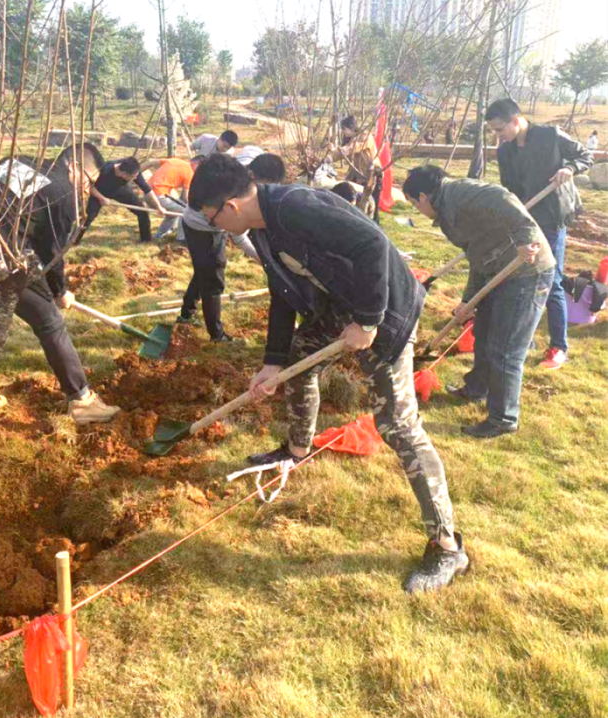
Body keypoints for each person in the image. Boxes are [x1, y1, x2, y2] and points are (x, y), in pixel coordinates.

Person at [189, 154, 468, 594]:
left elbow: (372, 244)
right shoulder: (261, 227)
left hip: (386, 311)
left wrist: (369, 320)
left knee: (398, 425)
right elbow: (282, 293)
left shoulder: (295, 207)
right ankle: (296, 450)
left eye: (212, 218)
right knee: (298, 363)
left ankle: (447, 546)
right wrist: (272, 361)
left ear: (230, 206)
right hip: (342, 307)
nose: (216, 228)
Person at [0, 158, 120, 424]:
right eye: (89, 181)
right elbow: (52, 253)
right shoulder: (62, 190)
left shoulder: (14, 161)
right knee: (50, 324)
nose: (86, 189)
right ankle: (83, 402)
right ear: (76, 166)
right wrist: (60, 291)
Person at [404, 165, 555, 438]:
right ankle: (476, 389)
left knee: (505, 349)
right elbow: (477, 255)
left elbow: (504, 198)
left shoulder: (462, 194)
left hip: (526, 272)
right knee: (482, 335)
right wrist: (468, 301)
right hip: (495, 271)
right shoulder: (446, 210)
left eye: (414, 204)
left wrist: (526, 240)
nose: (418, 210)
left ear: (423, 197)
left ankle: (503, 418)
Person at [485, 98, 592, 370]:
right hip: (525, 218)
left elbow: (585, 155)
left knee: (551, 280)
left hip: (553, 217)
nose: (498, 136)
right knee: (523, 277)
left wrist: (569, 168)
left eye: (500, 129)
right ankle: (526, 338)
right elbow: (509, 189)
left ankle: (559, 346)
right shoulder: (505, 151)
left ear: (515, 120)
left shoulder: (550, 135)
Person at [178, 155, 259, 341]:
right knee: (213, 278)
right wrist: (260, 258)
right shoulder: (212, 200)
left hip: (204, 226)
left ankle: (186, 313)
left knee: (203, 270)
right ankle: (216, 334)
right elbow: (239, 236)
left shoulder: (230, 186)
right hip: (199, 230)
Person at [77, 156, 166, 245]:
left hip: (119, 189)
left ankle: (146, 240)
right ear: (123, 174)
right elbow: (89, 187)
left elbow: (147, 190)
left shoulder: (134, 170)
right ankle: (75, 240)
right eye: (133, 177)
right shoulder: (104, 169)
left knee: (142, 211)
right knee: (88, 217)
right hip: (98, 192)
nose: (135, 178)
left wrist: (158, 207)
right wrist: (101, 198)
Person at [139, 156, 197, 242]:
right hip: (159, 196)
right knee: (186, 211)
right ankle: (181, 238)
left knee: (173, 213)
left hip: (147, 193)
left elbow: (151, 161)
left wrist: (136, 174)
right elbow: (185, 198)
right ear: (196, 165)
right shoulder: (190, 173)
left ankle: (160, 235)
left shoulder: (174, 161)